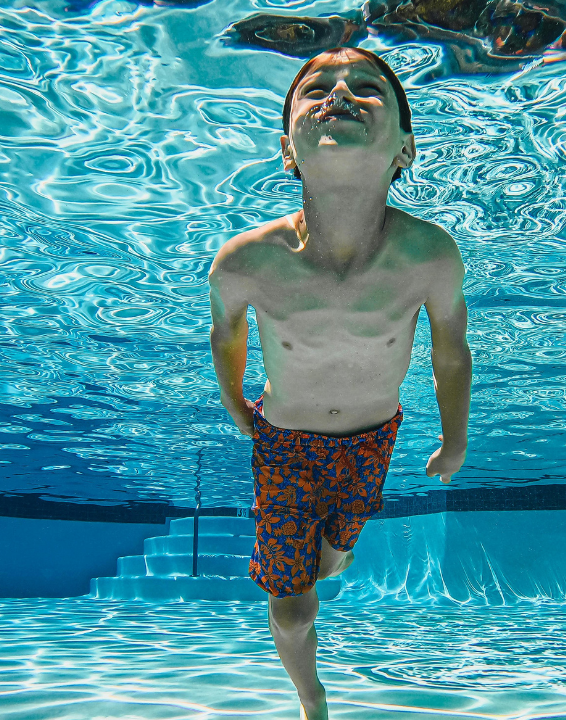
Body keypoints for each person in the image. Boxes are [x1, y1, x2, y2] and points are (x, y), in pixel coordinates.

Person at [208, 47, 472, 718]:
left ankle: (332, 552)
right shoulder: (245, 261)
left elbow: (451, 353)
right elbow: (226, 333)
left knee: (333, 557)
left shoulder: (430, 254)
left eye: (367, 87)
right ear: (289, 148)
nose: (339, 94)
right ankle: (312, 698)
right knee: (294, 609)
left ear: (405, 148)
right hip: (285, 444)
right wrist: (234, 398)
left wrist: (455, 437)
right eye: (315, 88)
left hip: (370, 442)